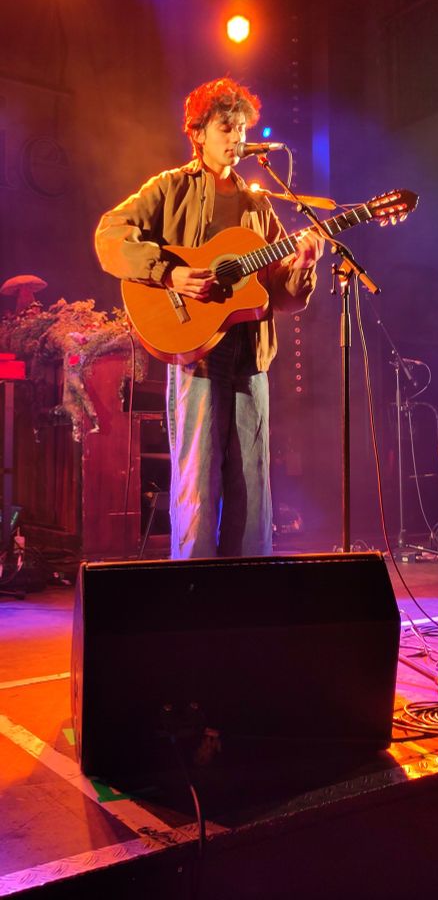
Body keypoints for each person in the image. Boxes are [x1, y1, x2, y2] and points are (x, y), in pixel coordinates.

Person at [95, 77, 324, 560]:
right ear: (198, 132)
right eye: (226, 127)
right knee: (198, 480)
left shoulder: (260, 204)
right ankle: (193, 592)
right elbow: (109, 234)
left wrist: (303, 266)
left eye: (242, 128)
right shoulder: (170, 187)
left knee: (253, 486)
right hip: (195, 351)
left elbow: (280, 295)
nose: (237, 137)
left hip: (249, 354)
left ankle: (247, 595)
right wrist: (169, 274)